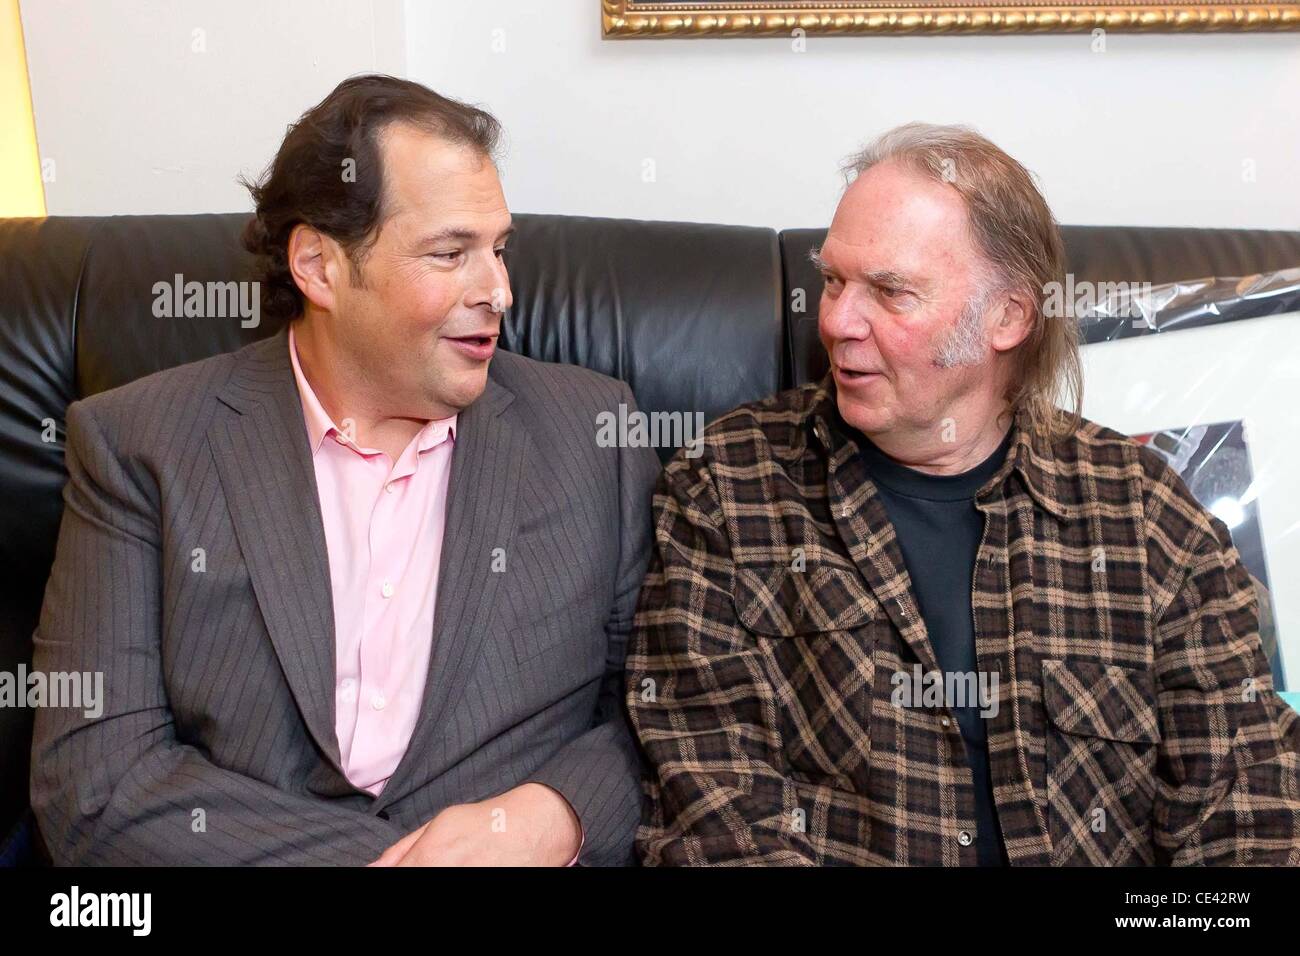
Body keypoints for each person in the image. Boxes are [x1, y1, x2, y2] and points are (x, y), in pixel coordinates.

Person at [627, 123, 1300, 866]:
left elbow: (1248, 812)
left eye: (891, 292)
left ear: (1007, 317)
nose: (837, 322)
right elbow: (718, 822)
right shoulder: (725, 490)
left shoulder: (1145, 516)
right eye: (833, 280)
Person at [31, 75, 658, 866]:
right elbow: (96, 778)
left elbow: (659, 712)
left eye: (499, 250)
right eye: (450, 253)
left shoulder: (595, 433)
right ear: (319, 267)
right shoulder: (138, 444)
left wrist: (548, 818)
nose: (498, 290)